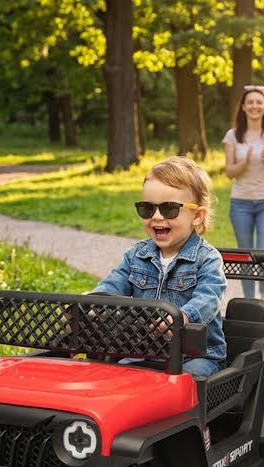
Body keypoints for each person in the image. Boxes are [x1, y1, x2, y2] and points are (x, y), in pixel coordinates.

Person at [91, 156, 227, 377]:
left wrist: (182, 317)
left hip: (194, 356)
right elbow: (112, 285)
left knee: (188, 379)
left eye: (169, 209)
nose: (156, 217)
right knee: (112, 375)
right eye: (147, 208)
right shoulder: (136, 255)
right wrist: (92, 303)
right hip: (142, 353)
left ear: (197, 216)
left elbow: (209, 299)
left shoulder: (207, 259)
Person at [222, 85, 264, 301]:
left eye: (259, 102)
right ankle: (249, 301)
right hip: (240, 203)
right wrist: (245, 162)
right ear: (243, 107)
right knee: (245, 254)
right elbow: (230, 172)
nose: (255, 106)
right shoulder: (233, 136)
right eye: (250, 102)